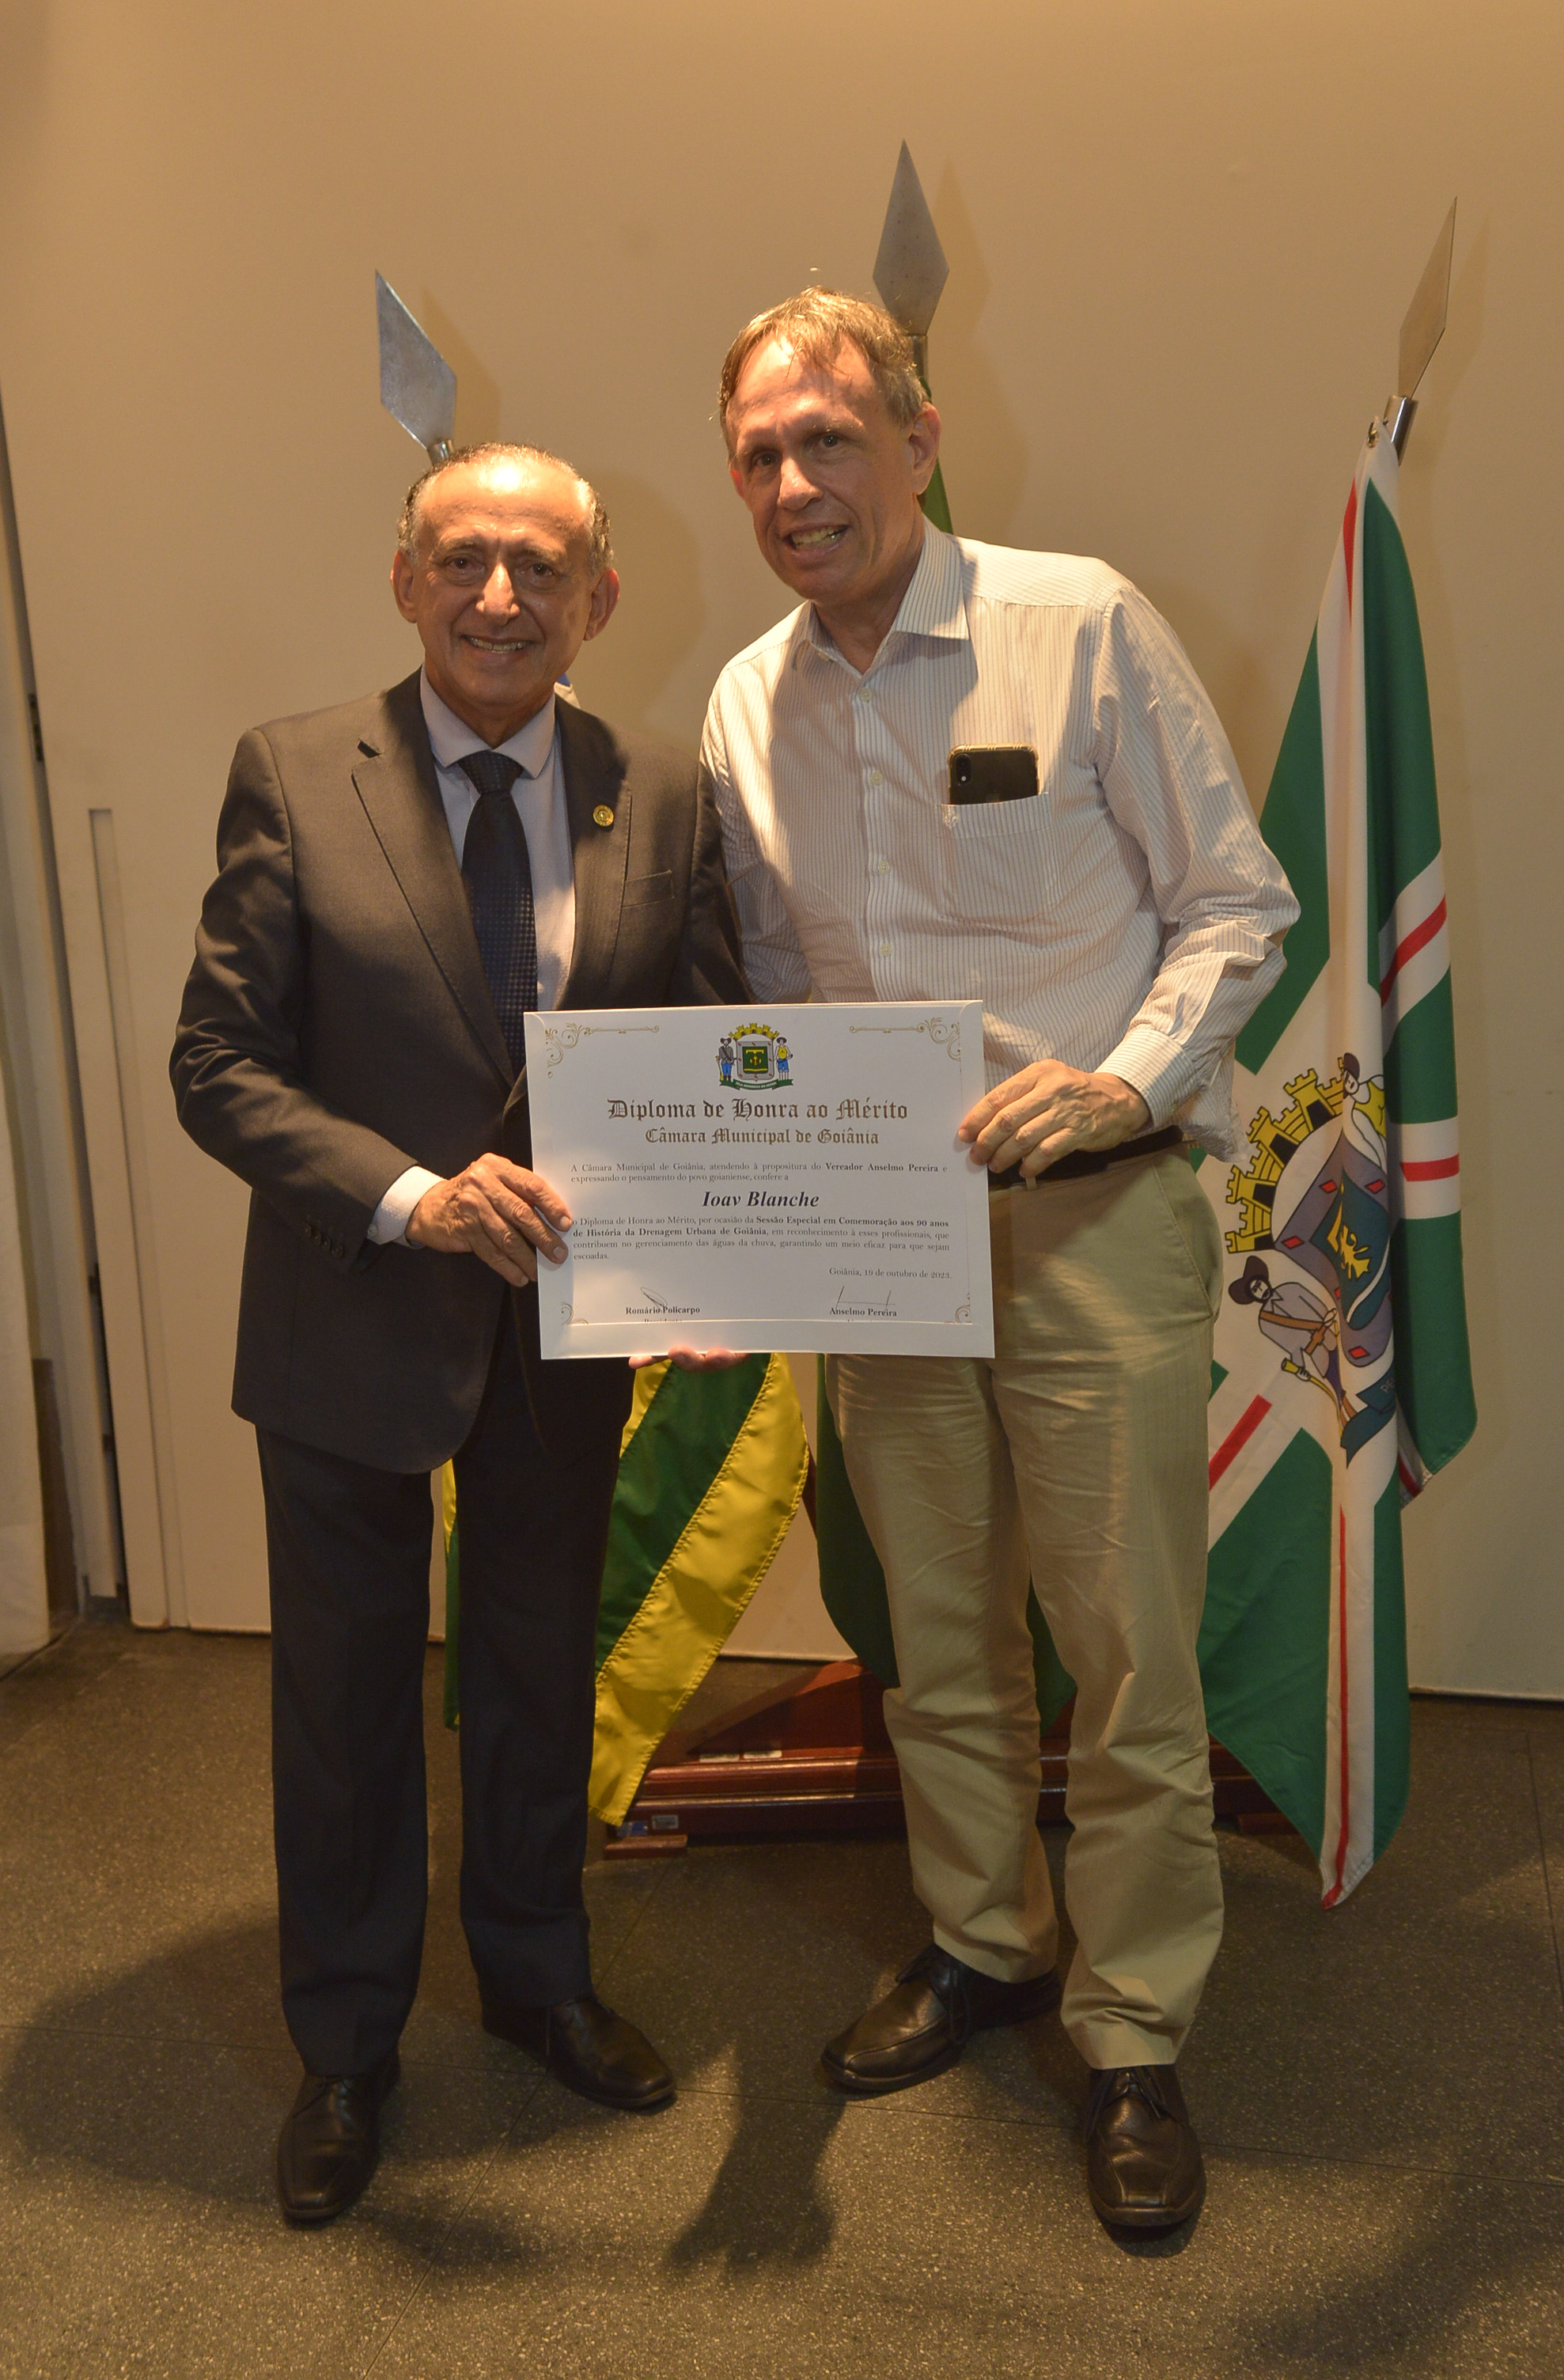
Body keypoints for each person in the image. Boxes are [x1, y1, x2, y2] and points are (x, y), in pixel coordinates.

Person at [701, 290, 1298, 2235]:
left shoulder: (1079, 623)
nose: (795, 484)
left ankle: (1132, 2026)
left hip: (1091, 1213)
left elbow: (1235, 908)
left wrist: (1120, 1082)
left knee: (1122, 1648)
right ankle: (983, 1939)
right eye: (759, 454)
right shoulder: (743, 700)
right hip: (882, 1236)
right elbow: (771, 992)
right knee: (935, 1628)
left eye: (829, 438)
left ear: (919, 436)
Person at [171, 443, 748, 2224]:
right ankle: (346, 2044)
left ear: (600, 598)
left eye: (541, 564)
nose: (501, 595)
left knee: (531, 1668)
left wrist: (716, 1258)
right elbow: (219, 1064)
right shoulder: (292, 771)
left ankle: (536, 1975)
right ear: (405, 580)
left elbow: (709, 1045)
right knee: (344, 1700)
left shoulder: (662, 790)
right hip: (350, 1315)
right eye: (464, 558)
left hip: (568, 1328)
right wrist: (413, 1197)